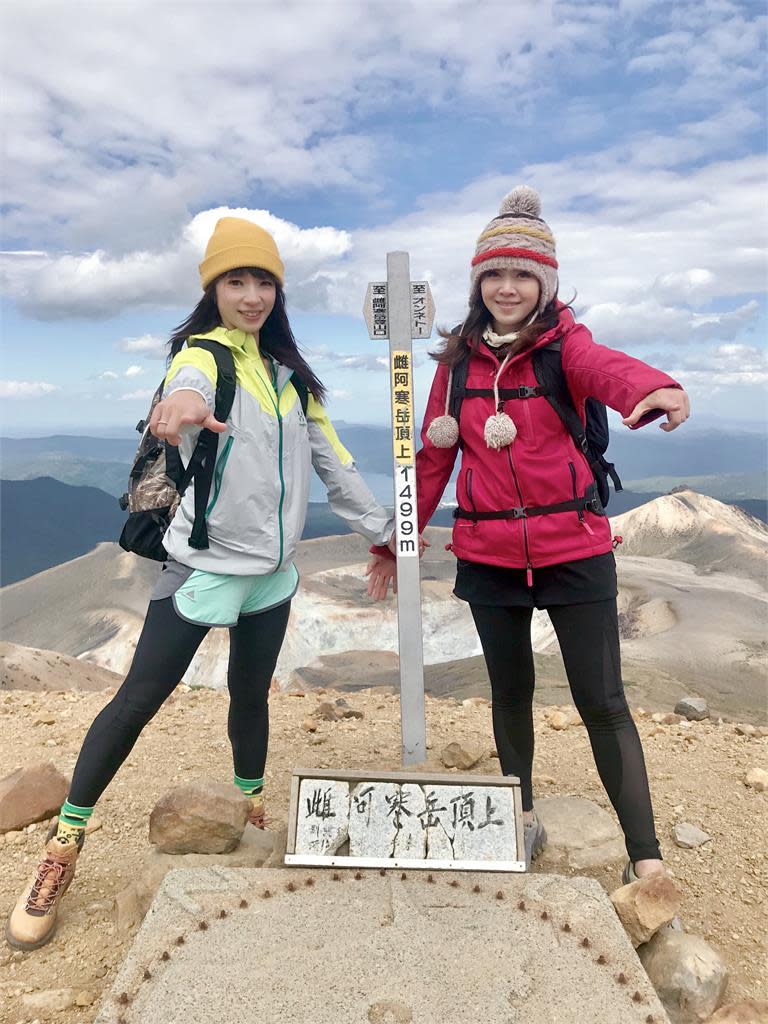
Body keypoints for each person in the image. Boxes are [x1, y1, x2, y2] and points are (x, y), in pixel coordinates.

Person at [6, 216, 396, 951]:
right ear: (213, 289)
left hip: (274, 576)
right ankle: (63, 846)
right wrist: (178, 408)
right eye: (235, 281)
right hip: (205, 570)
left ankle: (248, 806)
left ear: (279, 290)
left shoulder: (292, 379)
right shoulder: (203, 357)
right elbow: (183, 389)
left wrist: (382, 532)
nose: (250, 295)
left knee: (251, 698)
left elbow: (336, 463)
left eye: (263, 281)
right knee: (137, 702)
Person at [367, 185, 690, 876]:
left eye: (522, 275)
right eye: (494, 274)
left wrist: (653, 387)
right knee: (509, 695)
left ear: (544, 282)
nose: (507, 288)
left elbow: (605, 369)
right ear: (478, 280)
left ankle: (646, 858)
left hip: (573, 550)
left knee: (601, 701)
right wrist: (395, 542)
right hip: (488, 557)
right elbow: (432, 459)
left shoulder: (564, 346)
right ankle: (519, 817)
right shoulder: (456, 365)